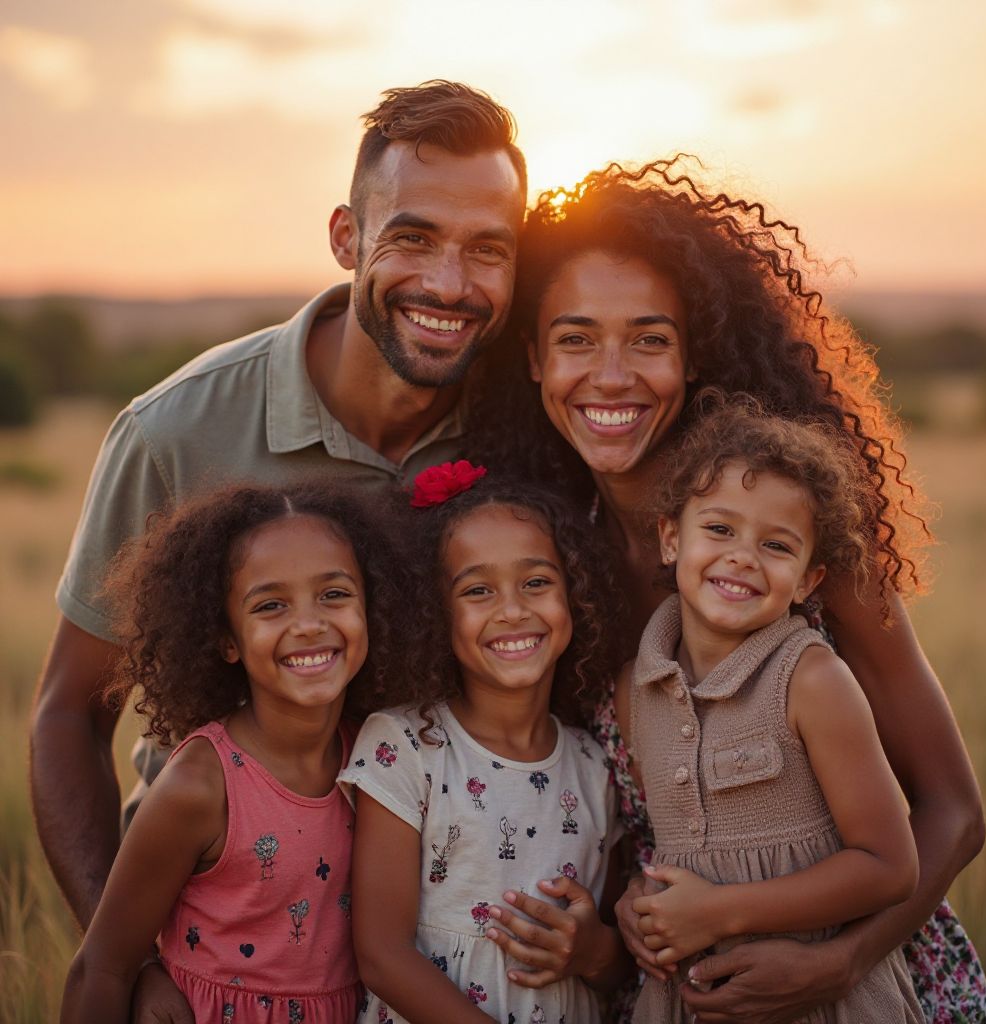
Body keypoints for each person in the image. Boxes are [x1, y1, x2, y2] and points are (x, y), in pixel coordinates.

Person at [30, 79, 527, 1000]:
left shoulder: (531, 429)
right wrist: (131, 960)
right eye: (413, 237)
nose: (449, 284)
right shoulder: (176, 432)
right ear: (347, 238)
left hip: (452, 954)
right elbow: (69, 715)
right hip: (221, 947)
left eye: (486, 251)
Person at [469, 157, 986, 1022]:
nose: (610, 375)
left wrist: (836, 965)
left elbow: (955, 813)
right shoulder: (549, 576)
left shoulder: (788, 546)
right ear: (532, 360)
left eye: (649, 338)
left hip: (869, 983)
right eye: (575, 339)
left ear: (692, 353)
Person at [627, 394, 925, 1022]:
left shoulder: (812, 680)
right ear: (669, 538)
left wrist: (719, 911)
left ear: (810, 580)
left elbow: (889, 866)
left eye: (777, 546)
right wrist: (641, 903)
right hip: (692, 998)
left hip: (814, 999)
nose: (742, 556)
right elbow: (666, 846)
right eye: (718, 529)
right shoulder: (641, 686)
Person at [61, 480, 402, 1022]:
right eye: (270, 605)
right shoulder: (200, 786)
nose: (309, 624)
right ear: (226, 639)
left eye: (334, 594)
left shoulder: (382, 759)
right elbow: (101, 968)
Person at [340, 465, 629, 1024]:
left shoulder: (595, 765)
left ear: (577, 594)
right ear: (434, 613)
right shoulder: (404, 746)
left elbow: (615, 964)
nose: (513, 610)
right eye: (477, 590)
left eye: (537, 582)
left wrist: (596, 951)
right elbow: (381, 956)